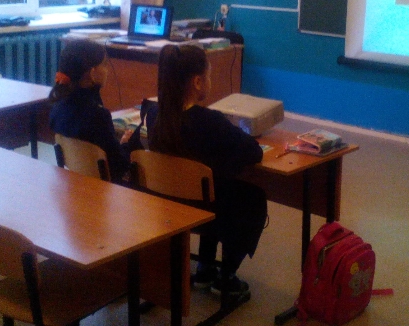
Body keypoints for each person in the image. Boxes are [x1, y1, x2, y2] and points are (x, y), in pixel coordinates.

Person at [149, 44, 266, 298]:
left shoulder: (154, 115)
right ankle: (227, 275)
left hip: (171, 202)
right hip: (207, 208)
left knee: (211, 187)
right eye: (209, 76)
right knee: (252, 198)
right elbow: (254, 151)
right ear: (197, 82)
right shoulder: (210, 121)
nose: (210, 81)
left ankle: (204, 268)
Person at [49, 39, 134, 183]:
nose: (107, 71)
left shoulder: (57, 106)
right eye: (104, 65)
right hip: (106, 190)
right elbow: (120, 167)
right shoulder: (98, 116)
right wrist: (126, 144)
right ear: (92, 73)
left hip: (77, 183)